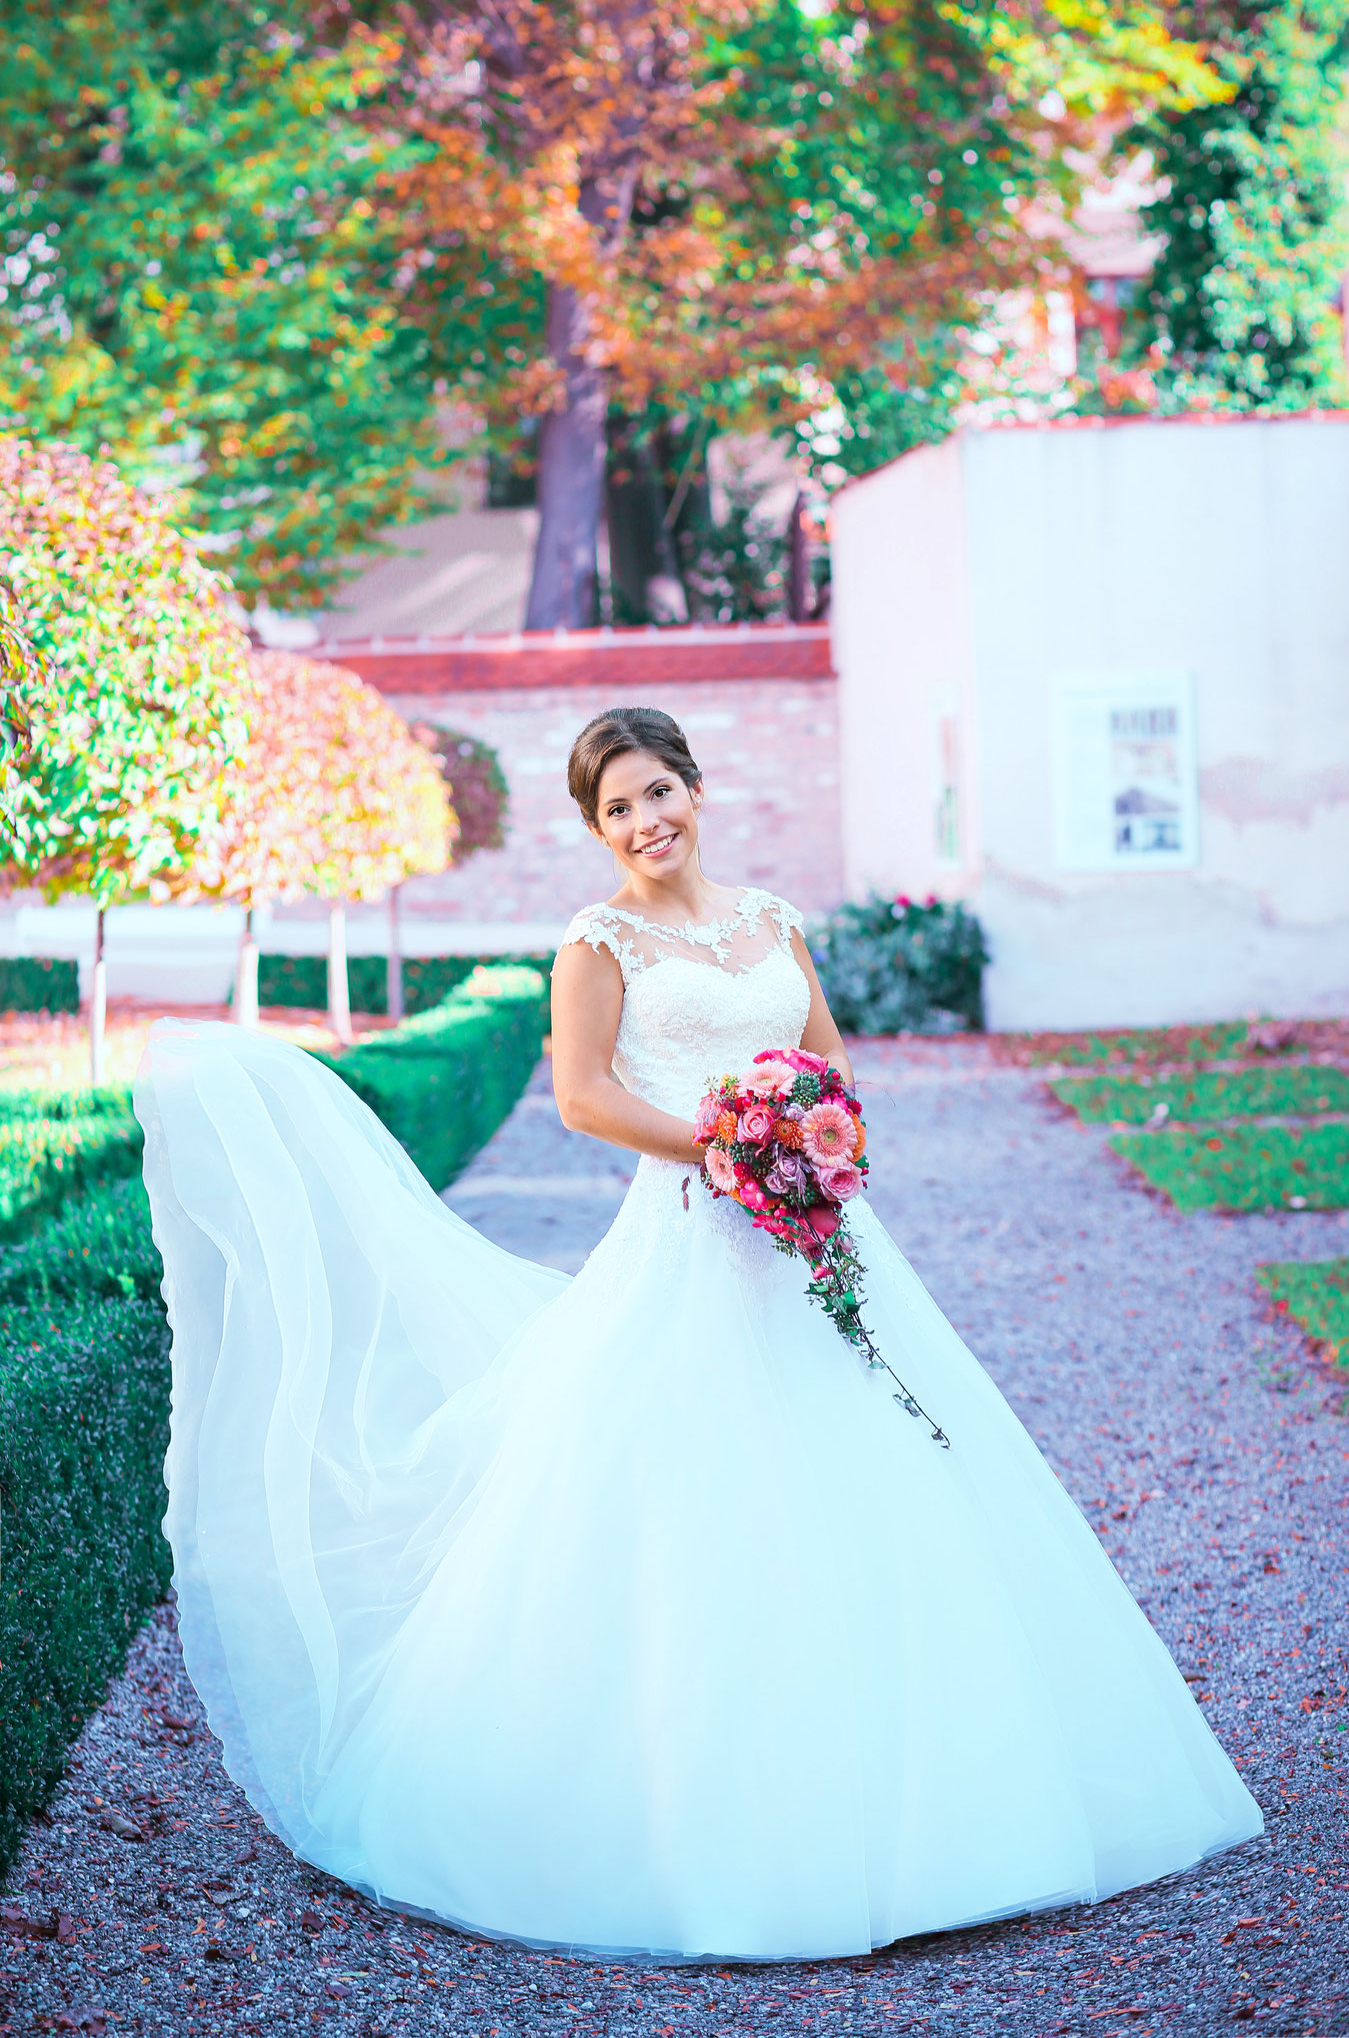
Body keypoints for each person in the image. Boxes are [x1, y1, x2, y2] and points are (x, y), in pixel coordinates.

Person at [136, 705, 1262, 1965]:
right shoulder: (595, 939)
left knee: (891, 1465)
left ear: (697, 785)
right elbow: (583, 1092)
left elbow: (825, 1058)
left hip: (817, 1240)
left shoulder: (773, 919)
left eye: (658, 790)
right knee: (689, 1487)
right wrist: (732, 1145)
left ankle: (953, 1796)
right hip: (687, 1231)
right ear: (595, 826)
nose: (644, 820)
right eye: (616, 807)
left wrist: (820, 1137)